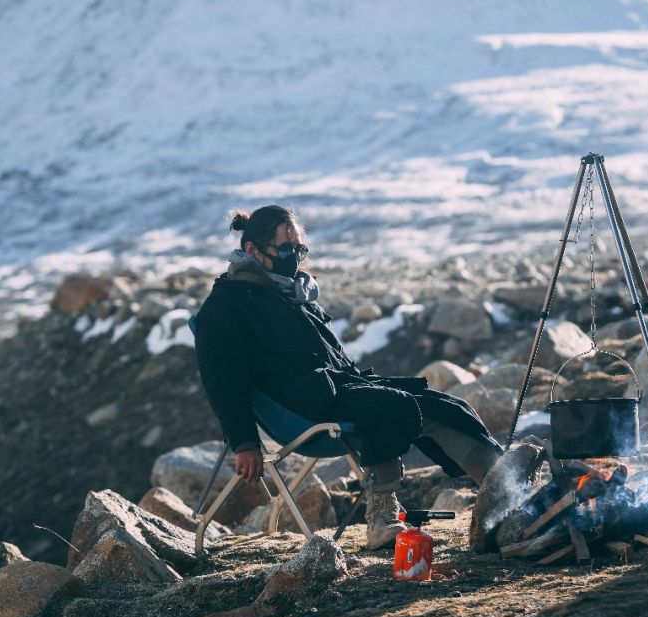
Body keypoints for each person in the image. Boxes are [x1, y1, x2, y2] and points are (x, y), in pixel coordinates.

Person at [194, 205, 504, 549]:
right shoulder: (226, 306)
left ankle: (504, 489)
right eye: (285, 249)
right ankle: (382, 519)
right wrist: (245, 443)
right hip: (302, 408)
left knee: (444, 404)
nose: (294, 258)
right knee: (390, 406)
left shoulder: (288, 293)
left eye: (299, 249)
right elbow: (223, 379)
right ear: (251, 250)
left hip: (334, 388)